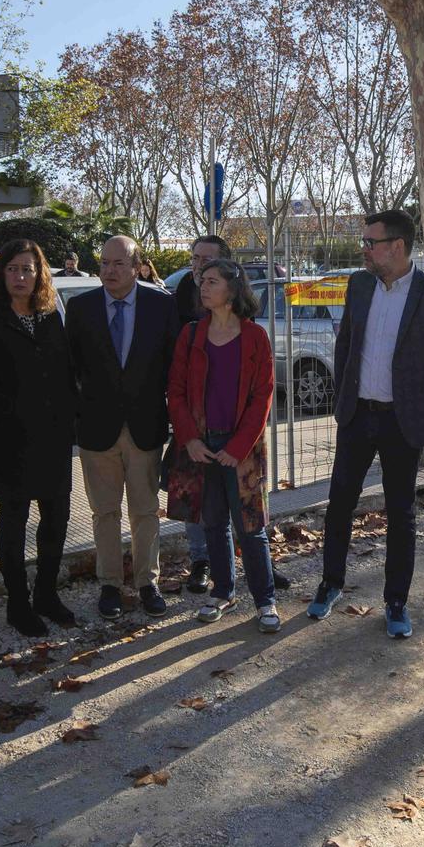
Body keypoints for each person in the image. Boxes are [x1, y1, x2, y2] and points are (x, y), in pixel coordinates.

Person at [310, 210, 424, 639]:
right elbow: (347, 342)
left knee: (401, 513)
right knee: (340, 504)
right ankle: (330, 584)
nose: (363, 249)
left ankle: (396, 602)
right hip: (357, 416)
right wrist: (340, 399)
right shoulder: (359, 284)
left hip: (404, 422)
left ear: (396, 246)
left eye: (370, 242)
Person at [0, 240, 79, 636]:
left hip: (52, 439)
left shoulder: (51, 317)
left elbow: (65, 373)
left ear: (40, 273)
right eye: (13, 269)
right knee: (13, 520)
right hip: (8, 440)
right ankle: (18, 603)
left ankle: (46, 594)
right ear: (1, 275)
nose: (20, 276)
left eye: (27, 269)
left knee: (57, 518)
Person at [68, 235, 179, 621]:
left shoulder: (162, 305)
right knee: (104, 512)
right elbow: (73, 369)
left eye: (118, 264)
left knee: (145, 511)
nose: (109, 271)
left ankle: (148, 583)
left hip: (145, 426)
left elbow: (172, 367)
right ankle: (110, 584)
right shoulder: (80, 308)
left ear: (136, 267)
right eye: (104, 264)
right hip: (97, 429)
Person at [167, 259, 278, 630]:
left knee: (251, 526)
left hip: (242, 449)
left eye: (211, 281)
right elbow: (176, 392)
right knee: (213, 522)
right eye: (202, 281)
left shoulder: (255, 337)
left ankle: (266, 601)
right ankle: (223, 593)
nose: (203, 286)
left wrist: (240, 445)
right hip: (202, 444)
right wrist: (190, 440)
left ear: (233, 289)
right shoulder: (191, 334)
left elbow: (263, 396)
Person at [173, 234, 231, 593]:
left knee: (240, 493)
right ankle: (200, 561)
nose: (198, 265)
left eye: (206, 259)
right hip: (190, 414)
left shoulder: (237, 294)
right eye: (194, 258)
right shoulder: (181, 292)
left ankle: (256, 561)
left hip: (229, 414)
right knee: (192, 492)